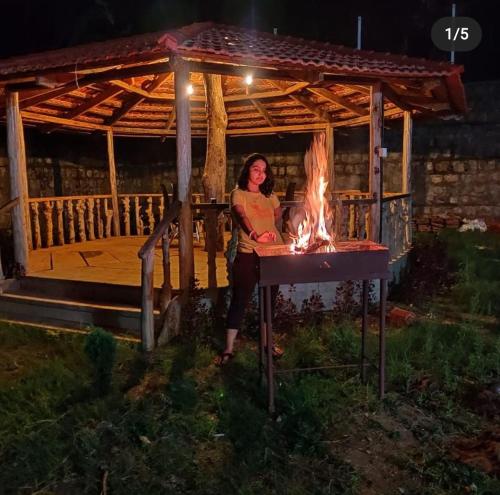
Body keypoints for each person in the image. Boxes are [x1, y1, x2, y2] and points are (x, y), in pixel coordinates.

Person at [217, 153, 284, 365]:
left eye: (264, 171)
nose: (260, 174)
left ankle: (267, 342)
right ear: (247, 170)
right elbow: (241, 215)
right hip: (248, 252)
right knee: (240, 299)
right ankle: (228, 348)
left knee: (269, 301)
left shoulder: (270, 196)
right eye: (256, 169)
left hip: (273, 254)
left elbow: (277, 216)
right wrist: (256, 235)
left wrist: (271, 236)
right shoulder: (238, 194)